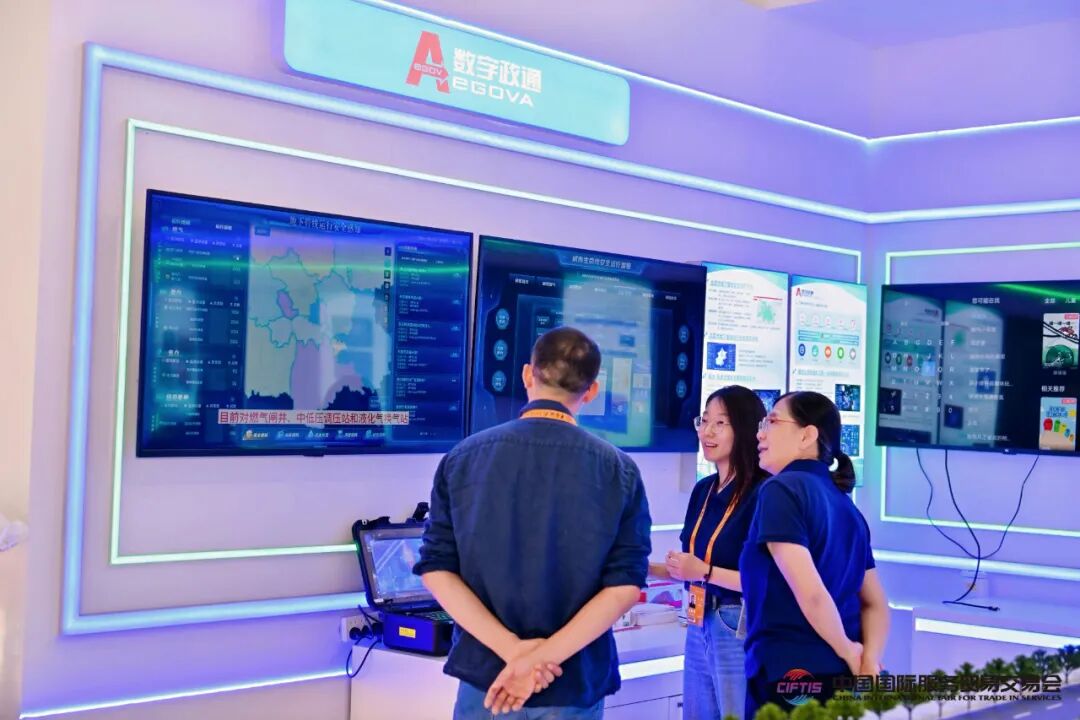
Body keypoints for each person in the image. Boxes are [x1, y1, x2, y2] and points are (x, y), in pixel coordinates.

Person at [414, 326, 652, 719]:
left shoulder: (463, 459)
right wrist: (539, 659)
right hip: (571, 682)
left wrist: (515, 653)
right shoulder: (618, 471)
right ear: (592, 391)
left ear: (528, 374)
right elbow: (623, 587)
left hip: (488, 681)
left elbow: (436, 568)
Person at [739, 391, 889, 718]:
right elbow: (876, 603)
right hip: (841, 678)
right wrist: (867, 662)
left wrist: (849, 651)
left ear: (807, 435)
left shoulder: (780, 490)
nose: (760, 434)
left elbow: (812, 594)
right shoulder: (846, 506)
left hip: (791, 676)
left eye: (772, 422)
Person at [649, 385, 768, 720]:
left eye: (720, 423)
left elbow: (765, 581)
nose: (707, 432)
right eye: (704, 421)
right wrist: (643, 568)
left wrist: (705, 572)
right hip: (697, 618)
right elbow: (689, 567)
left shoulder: (763, 492)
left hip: (735, 621)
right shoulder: (704, 489)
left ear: (745, 428)